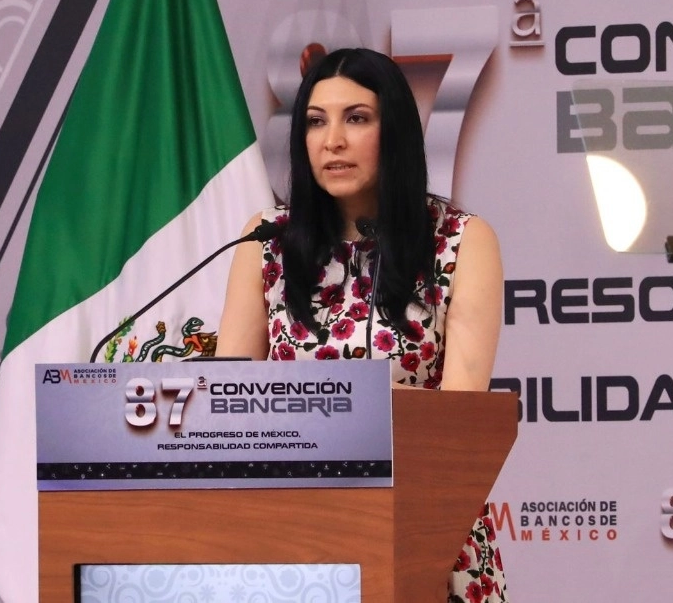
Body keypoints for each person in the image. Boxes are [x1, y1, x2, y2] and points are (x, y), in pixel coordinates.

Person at [216, 47, 507, 602]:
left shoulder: (461, 241)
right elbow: (227, 403)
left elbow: (459, 430)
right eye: (316, 122)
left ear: (393, 131)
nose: (333, 141)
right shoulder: (266, 241)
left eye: (357, 118)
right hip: (292, 544)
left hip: (425, 535)